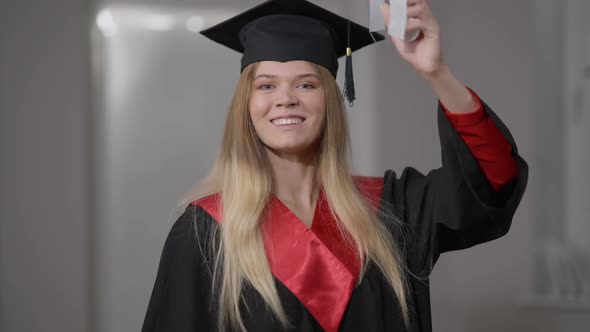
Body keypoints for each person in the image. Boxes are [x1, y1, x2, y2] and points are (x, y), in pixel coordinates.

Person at [141, 0, 528, 331]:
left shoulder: (393, 210)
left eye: (306, 84)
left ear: (330, 101)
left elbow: (494, 180)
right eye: (266, 85)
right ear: (246, 106)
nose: (286, 99)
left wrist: (436, 73)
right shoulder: (206, 232)